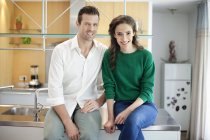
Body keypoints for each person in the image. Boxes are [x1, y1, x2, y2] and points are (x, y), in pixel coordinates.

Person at [44, 6, 107, 140]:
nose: (91, 28)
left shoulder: (103, 52)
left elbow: (113, 83)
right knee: (51, 136)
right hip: (62, 103)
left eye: (95, 24)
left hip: (87, 104)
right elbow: (54, 89)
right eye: (87, 24)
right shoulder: (60, 50)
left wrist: (99, 102)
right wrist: (68, 123)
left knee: (89, 136)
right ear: (77, 24)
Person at [102, 15, 158, 140]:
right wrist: (110, 118)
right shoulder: (109, 55)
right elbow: (109, 88)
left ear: (134, 33)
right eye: (119, 34)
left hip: (145, 105)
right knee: (131, 124)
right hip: (121, 104)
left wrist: (128, 111)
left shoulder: (145, 56)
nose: (124, 38)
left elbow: (147, 90)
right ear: (114, 35)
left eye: (128, 33)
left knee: (132, 120)